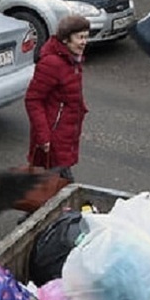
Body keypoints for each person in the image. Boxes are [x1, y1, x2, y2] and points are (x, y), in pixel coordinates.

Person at [24, 14, 90, 183]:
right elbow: (33, 100)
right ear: (66, 39)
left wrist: (80, 107)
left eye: (86, 37)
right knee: (62, 188)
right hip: (53, 137)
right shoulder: (52, 63)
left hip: (65, 133)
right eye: (80, 37)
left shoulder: (72, 61)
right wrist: (44, 137)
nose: (84, 42)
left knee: (56, 188)